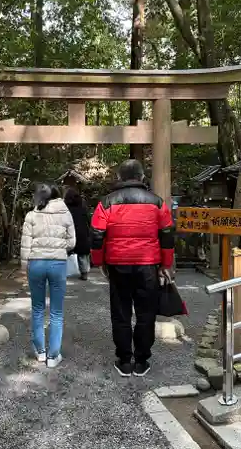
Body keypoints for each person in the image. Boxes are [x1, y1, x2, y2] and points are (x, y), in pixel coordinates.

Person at [90, 159, 174, 378]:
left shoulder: (106, 202)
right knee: (146, 313)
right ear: (142, 177)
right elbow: (167, 235)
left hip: (118, 265)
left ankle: (125, 360)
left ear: (119, 177)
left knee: (121, 313)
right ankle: (142, 360)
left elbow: (97, 235)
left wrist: (99, 262)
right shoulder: (157, 202)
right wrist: (166, 264)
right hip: (148, 265)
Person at [21, 183, 76, 368]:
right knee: (57, 311)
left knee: (37, 309)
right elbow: (72, 241)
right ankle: (53, 356)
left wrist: (24, 267)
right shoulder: (65, 213)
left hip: (36, 263)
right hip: (57, 264)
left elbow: (25, 245)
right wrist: (60, 248)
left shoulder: (31, 215)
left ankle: (40, 352)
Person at [64, 188, 91, 280]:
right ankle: (84, 272)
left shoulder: (65, 209)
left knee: (67, 252)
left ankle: (66, 271)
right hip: (82, 232)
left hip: (70, 232)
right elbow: (88, 220)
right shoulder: (83, 207)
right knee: (82, 254)